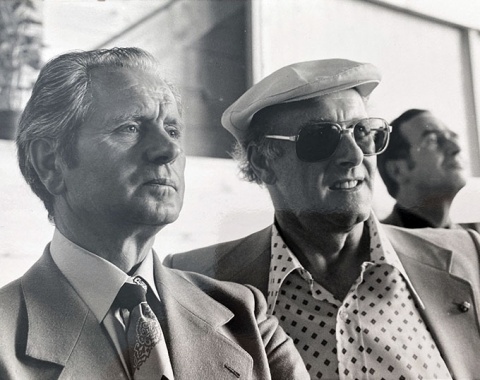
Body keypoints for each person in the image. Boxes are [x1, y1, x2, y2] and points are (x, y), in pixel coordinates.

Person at [0, 48, 309, 380]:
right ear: (50, 162)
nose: (170, 149)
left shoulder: (245, 316)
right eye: (130, 127)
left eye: (173, 130)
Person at [164, 59, 480, 379]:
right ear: (263, 161)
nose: (354, 155)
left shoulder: (466, 257)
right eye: (321, 137)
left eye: (363, 132)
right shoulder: (197, 281)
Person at [377, 108, 480, 231]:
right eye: (432, 140)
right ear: (397, 170)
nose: (456, 148)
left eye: (453, 137)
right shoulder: (375, 245)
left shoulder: (474, 237)